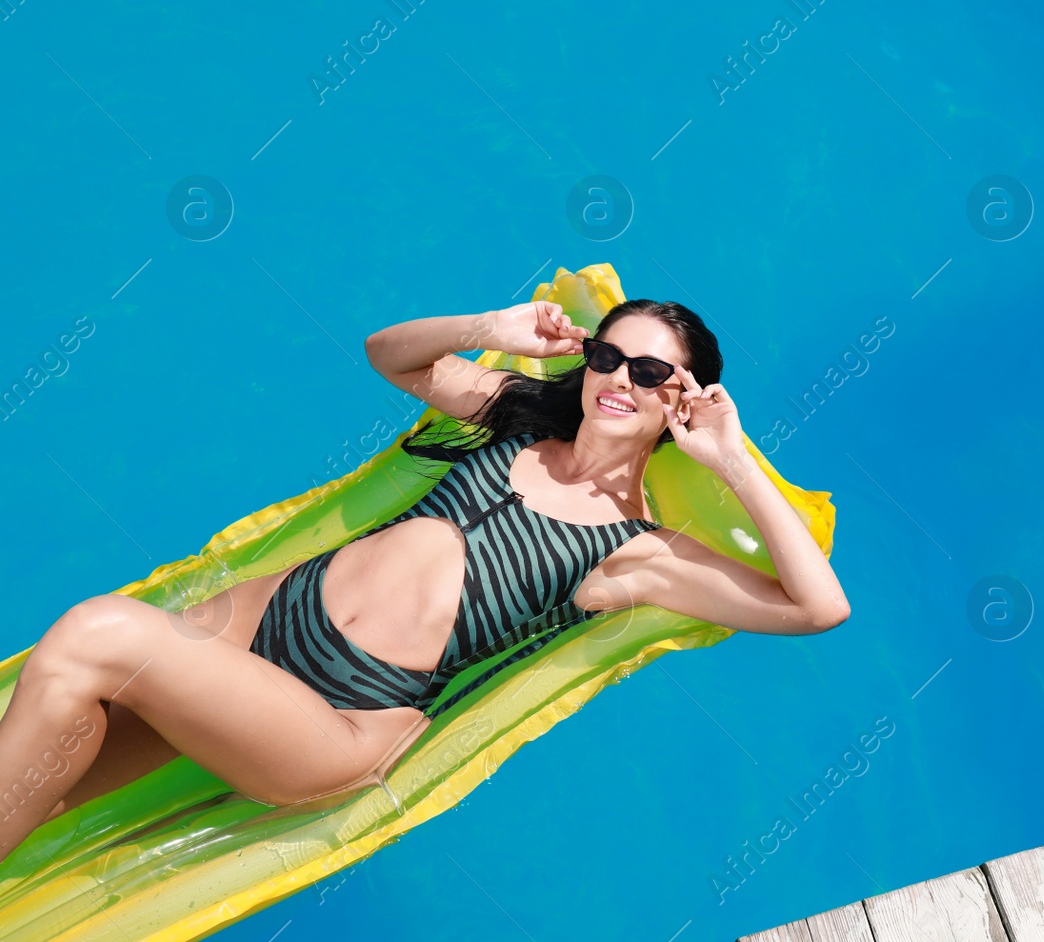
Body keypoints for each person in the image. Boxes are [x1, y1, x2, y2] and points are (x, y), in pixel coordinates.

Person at [0, 298, 849, 861]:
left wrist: (732, 461)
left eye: (652, 371)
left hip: (338, 717)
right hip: (261, 621)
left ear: (683, 397)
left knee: (94, 634)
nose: (621, 378)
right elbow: (387, 354)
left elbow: (817, 606)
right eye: (607, 354)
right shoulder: (514, 419)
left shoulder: (636, 552)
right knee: (49, 757)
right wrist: (496, 325)